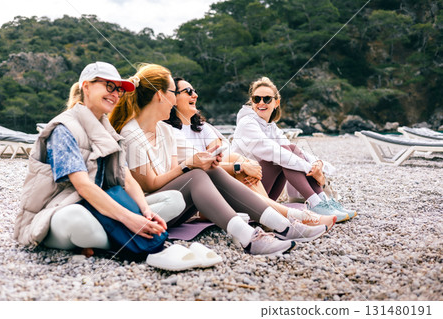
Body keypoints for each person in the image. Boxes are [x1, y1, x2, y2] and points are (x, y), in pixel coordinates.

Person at [109, 63, 327, 256]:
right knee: (195, 175)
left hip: (174, 201)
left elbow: (181, 165)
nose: (175, 99)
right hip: (151, 210)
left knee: (208, 170)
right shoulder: (132, 134)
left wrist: (206, 160)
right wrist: (190, 165)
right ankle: (249, 238)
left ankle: (284, 225)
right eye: (173, 92)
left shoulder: (164, 130)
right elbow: (150, 184)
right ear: (160, 95)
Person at [14, 61, 185, 258]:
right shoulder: (64, 129)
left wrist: (146, 212)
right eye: (109, 86)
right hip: (63, 209)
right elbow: (83, 187)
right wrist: (130, 219)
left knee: (174, 200)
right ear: (86, 86)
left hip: (101, 208)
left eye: (119, 90)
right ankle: (125, 238)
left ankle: (115, 239)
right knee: (76, 220)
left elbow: (127, 180)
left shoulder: (108, 131)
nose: (115, 94)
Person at [164, 77, 336, 230]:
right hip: (215, 192)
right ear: (172, 98)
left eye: (194, 91)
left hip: (251, 184)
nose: (195, 95)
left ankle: (314, 203)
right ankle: (299, 213)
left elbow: (218, 156)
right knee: (274, 155)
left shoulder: (204, 128)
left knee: (285, 151)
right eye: (188, 91)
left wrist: (319, 166)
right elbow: (200, 165)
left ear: (276, 103)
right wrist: (240, 167)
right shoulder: (171, 132)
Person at [231, 77, 357, 222]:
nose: (261, 103)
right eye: (256, 98)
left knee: (289, 149)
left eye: (266, 99)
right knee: (282, 154)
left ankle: (322, 201)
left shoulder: (270, 127)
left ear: (276, 103)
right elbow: (273, 151)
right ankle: (316, 203)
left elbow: (295, 151)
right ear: (251, 102)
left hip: (263, 193)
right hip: (244, 193)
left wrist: (318, 165)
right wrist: (310, 168)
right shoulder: (247, 123)